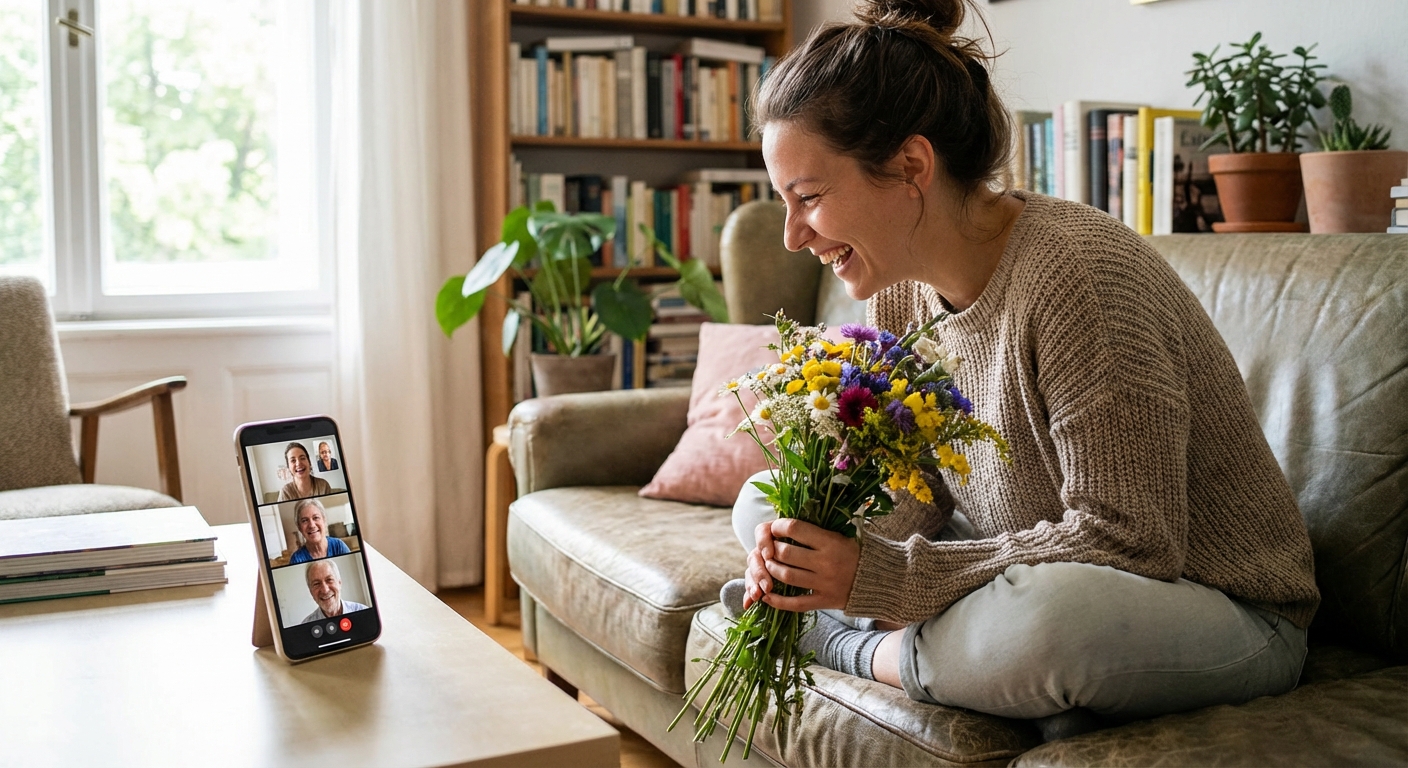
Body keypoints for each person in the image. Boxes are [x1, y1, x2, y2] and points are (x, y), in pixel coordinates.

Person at [726, 0, 1319, 739]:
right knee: (765, 500)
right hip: (1040, 557)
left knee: (1046, 626)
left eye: (809, 198)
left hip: (1211, 605)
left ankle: (861, 649)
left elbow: (1130, 541)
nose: (792, 236)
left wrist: (880, 582)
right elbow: (921, 486)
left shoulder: (1081, 276)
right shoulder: (903, 285)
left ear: (911, 166)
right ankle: (973, 666)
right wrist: (810, 550)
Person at [299, 559, 369, 624]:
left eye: (329, 580)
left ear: (339, 583)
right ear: (311, 591)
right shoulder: (305, 626)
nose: (325, 590)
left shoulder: (364, 613)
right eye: (316, 584)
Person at [287, 498, 351, 564]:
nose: (312, 525)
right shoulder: (296, 559)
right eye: (304, 520)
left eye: (316, 518)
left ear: (324, 520)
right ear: (299, 527)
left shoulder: (339, 546)